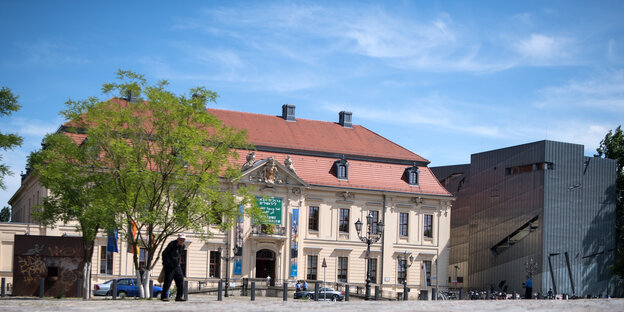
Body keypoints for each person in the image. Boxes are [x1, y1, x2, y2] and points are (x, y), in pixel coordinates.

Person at [161, 233, 186, 302]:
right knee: (168, 281)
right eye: (181, 239)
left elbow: (178, 256)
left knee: (180, 280)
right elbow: (164, 253)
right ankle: (164, 297)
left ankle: (179, 297)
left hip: (177, 266)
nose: (182, 241)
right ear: (177, 239)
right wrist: (165, 263)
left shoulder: (183, 246)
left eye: (183, 240)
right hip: (169, 266)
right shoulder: (172, 244)